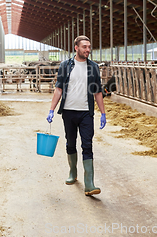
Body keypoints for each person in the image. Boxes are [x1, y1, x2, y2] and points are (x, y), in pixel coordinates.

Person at [46, 36, 106, 196]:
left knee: (87, 145)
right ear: (76, 48)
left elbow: (98, 91)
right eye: (84, 47)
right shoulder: (65, 66)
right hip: (68, 111)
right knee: (70, 143)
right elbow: (59, 88)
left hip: (86, 112)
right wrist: (52, 109)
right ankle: (73, 172)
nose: (88, 50)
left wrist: (103, 113)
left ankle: (89, 183)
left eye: (89, 47)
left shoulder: (93, 67)